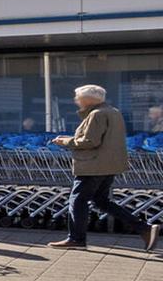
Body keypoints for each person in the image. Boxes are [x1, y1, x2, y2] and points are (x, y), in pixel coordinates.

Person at [49, 85, 159, 251]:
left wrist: (64, 141)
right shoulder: (113, 112)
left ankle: (76, 239)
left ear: (88, 99)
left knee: (77, 201)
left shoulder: (97, 114)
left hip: (93, 165)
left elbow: (90, 142)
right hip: (108, 164)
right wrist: (72, 138)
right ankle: (144, 228)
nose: (76, 100)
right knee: (101, 201)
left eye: (78, 97)